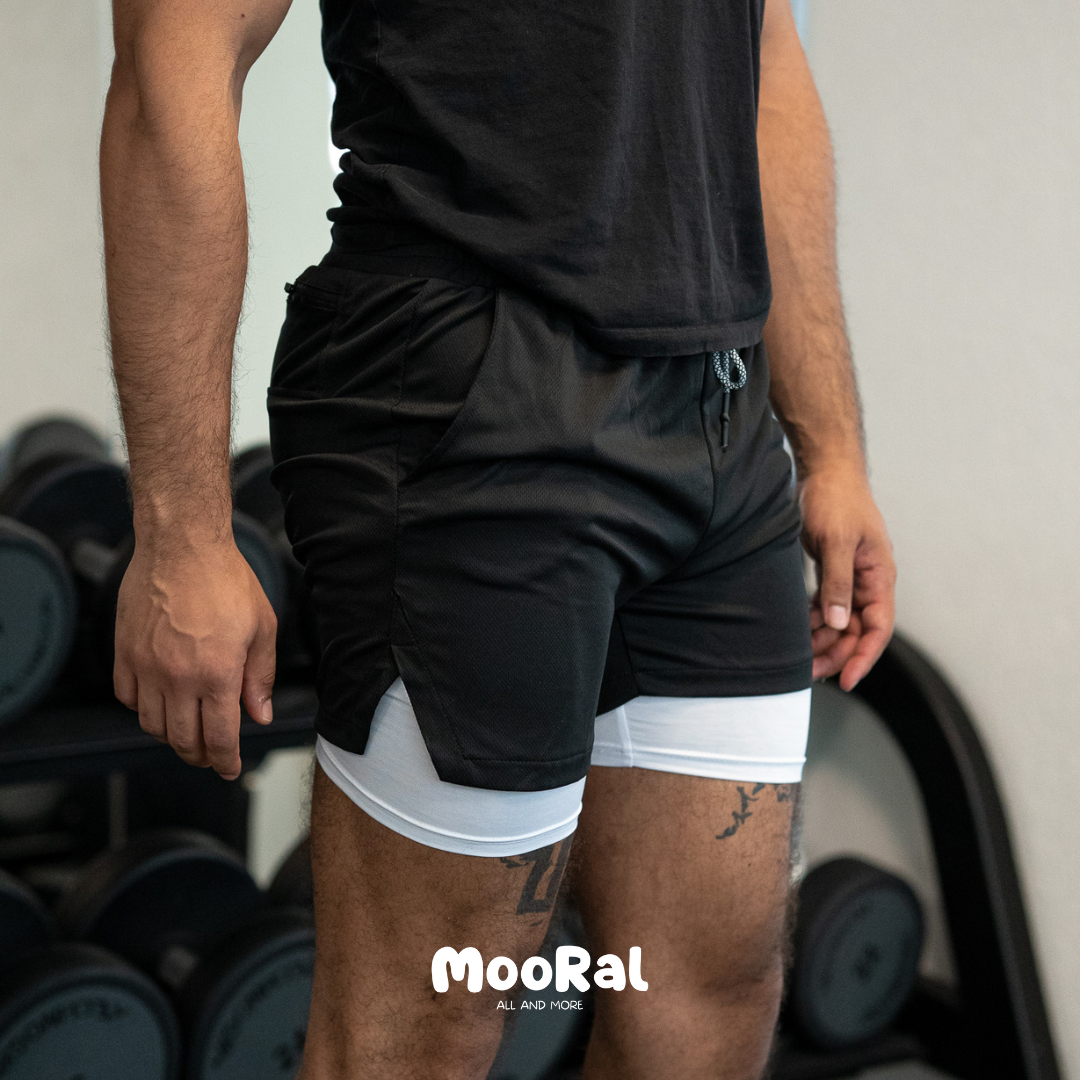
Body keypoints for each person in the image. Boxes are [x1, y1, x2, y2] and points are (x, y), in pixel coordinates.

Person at [101, 0, 896, 1075]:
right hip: (470, 381)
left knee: (711, 999)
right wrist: (182, 531)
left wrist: (832, 448)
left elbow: (766, 54)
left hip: (719, 399)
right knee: (425, 1023)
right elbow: (174, 56)